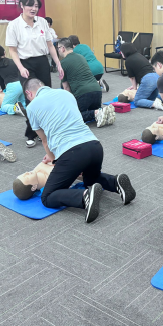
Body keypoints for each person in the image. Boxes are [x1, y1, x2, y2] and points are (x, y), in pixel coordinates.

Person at [22, 78, 136, 223]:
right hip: (94, 146)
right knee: (90, 179)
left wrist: (55, 160)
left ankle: (84, 196)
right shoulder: (66, 94)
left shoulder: (32, 107)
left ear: (29, 93)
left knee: (47, 197)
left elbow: (44, 140)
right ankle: (115, 182)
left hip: (72, 153)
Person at [6, 0, 64, 146]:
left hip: (42, 62)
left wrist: (58, 63)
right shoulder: (14, 25)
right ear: (22, 5)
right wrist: (20, 68)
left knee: (46, 96)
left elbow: (50, 45)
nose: (33, 9)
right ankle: (32, 133)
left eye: (36, 6)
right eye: (30, 5)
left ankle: (47, 130)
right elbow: (12, 50)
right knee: (31, 99)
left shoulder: (42, 22)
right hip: (25, 64)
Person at [57, 38, 115, 128]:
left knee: (73, 117)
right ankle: (100, 112)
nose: (58, 50)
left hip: (83, 93)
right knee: (92, 111)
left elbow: (66, 88)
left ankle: (97, 112)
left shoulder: (62, 63)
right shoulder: (81, 57)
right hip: (97, 90)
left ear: (63, 48)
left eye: (58, 48)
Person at [119, 42, 163, 110]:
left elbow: (132, 77)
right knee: (150, 96)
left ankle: (155, 104)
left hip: (148, 79)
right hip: (156, 77)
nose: (121, 54)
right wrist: (135, 86)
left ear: (124, 52)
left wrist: (135, 88)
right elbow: (140, 71)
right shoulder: (139, 55)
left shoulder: (128, 61)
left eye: (121, 52)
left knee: (137, 101)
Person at [0, 45, 26, 116]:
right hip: (23, 84)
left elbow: (0, 79)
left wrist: (4, 90)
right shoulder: (13, 61)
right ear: (4, 52)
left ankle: (15, 108)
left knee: (4, 106)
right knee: (23, 103)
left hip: (12, 86)